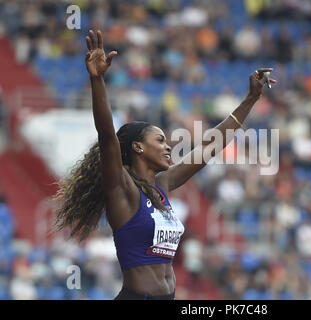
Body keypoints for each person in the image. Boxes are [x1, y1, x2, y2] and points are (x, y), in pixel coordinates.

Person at [53, 29, 276, 300]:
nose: (168, 146)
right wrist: (97, 80)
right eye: (159, 140)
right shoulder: (122, 188)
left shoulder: (162, 184)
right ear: (137, 147)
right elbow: (108, 137)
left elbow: (208, 147)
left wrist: (249, 100)